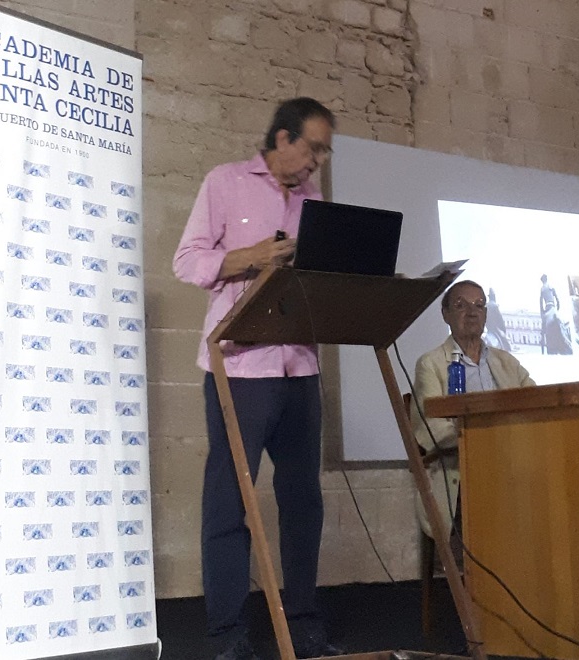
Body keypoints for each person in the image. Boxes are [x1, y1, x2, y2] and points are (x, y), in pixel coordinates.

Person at [173, 98, 340, 660]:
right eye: (313, 148)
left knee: (303, 500)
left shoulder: (315, 202)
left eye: (325, 152)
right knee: (229, 500)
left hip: (300, 366)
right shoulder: (224, 182)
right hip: (241, 366)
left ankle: (304, 625)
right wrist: (252, 257)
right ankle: (228, 635)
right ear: (283, 138)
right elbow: (187, 261)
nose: (318, 161)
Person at [410, 280, 535, 555]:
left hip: (511, 463)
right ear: (445, 314)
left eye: (479, 305)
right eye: (461, 305)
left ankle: (531, 569)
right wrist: (479, 439)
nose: (472, 312)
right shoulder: (431, 364)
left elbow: (536, 404)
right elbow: (429, 429)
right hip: (463, 469)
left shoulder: (506, 362)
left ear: (487, 314)